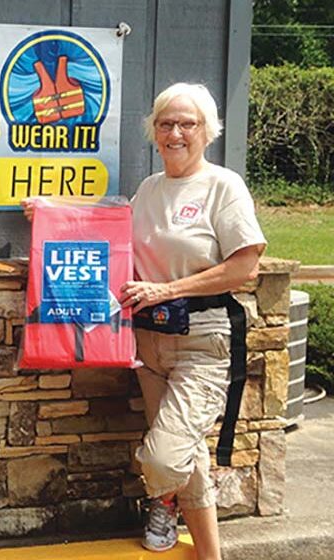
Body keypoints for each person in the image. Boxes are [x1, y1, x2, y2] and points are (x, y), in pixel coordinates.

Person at [120, 83, 266, 559]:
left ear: (208, 131)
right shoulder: (148, 189)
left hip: (203, 340)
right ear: (154, 132)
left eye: (188, 123)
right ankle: (210, 555)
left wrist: (166, 289)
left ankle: (161, 497)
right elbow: (118, 241)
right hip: (148, 341)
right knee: (189, 452)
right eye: (166, 123)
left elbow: (245, 267)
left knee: (163, 457)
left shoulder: (223, 186)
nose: (176, 132)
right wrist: (53, 213)